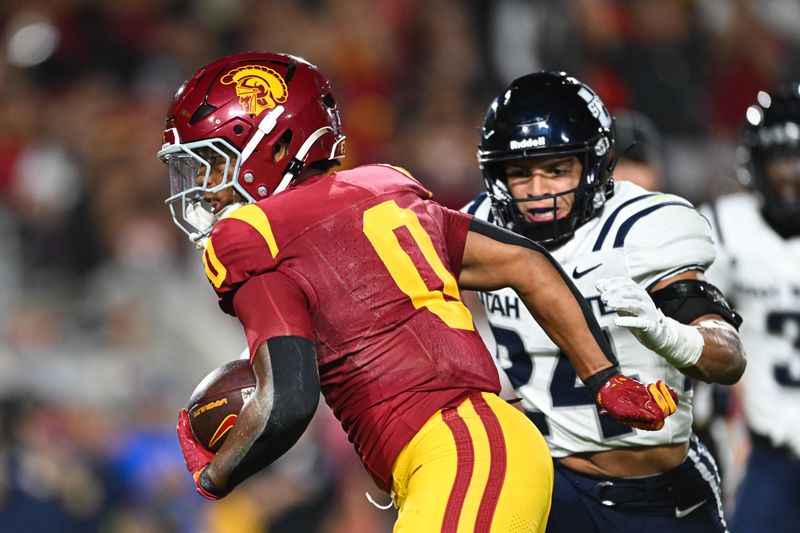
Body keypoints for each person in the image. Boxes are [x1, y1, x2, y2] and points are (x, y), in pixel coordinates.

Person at [156, 52, 679, 532]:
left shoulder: (249, 235)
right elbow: (526, 261)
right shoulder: (383, 186)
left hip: (462, 453)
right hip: (481, 451)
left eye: (216, 163)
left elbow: (288, 403)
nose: (207, 187)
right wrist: (604, 379)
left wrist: (214, 474)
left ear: (277, 144)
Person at [463, 71, 746, 532]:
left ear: (592, 164)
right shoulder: (478, 226)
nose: (537, 191)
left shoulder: (645, 227)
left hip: (654, 490)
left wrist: (666, 333)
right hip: (545, 485)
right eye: (520, 173)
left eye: (556, 170)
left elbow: (727, 358)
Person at [700, 84, 800, 533]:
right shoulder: (725, 228)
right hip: (769, 456)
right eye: (782, 159)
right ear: (756, 165)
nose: (792, 174)